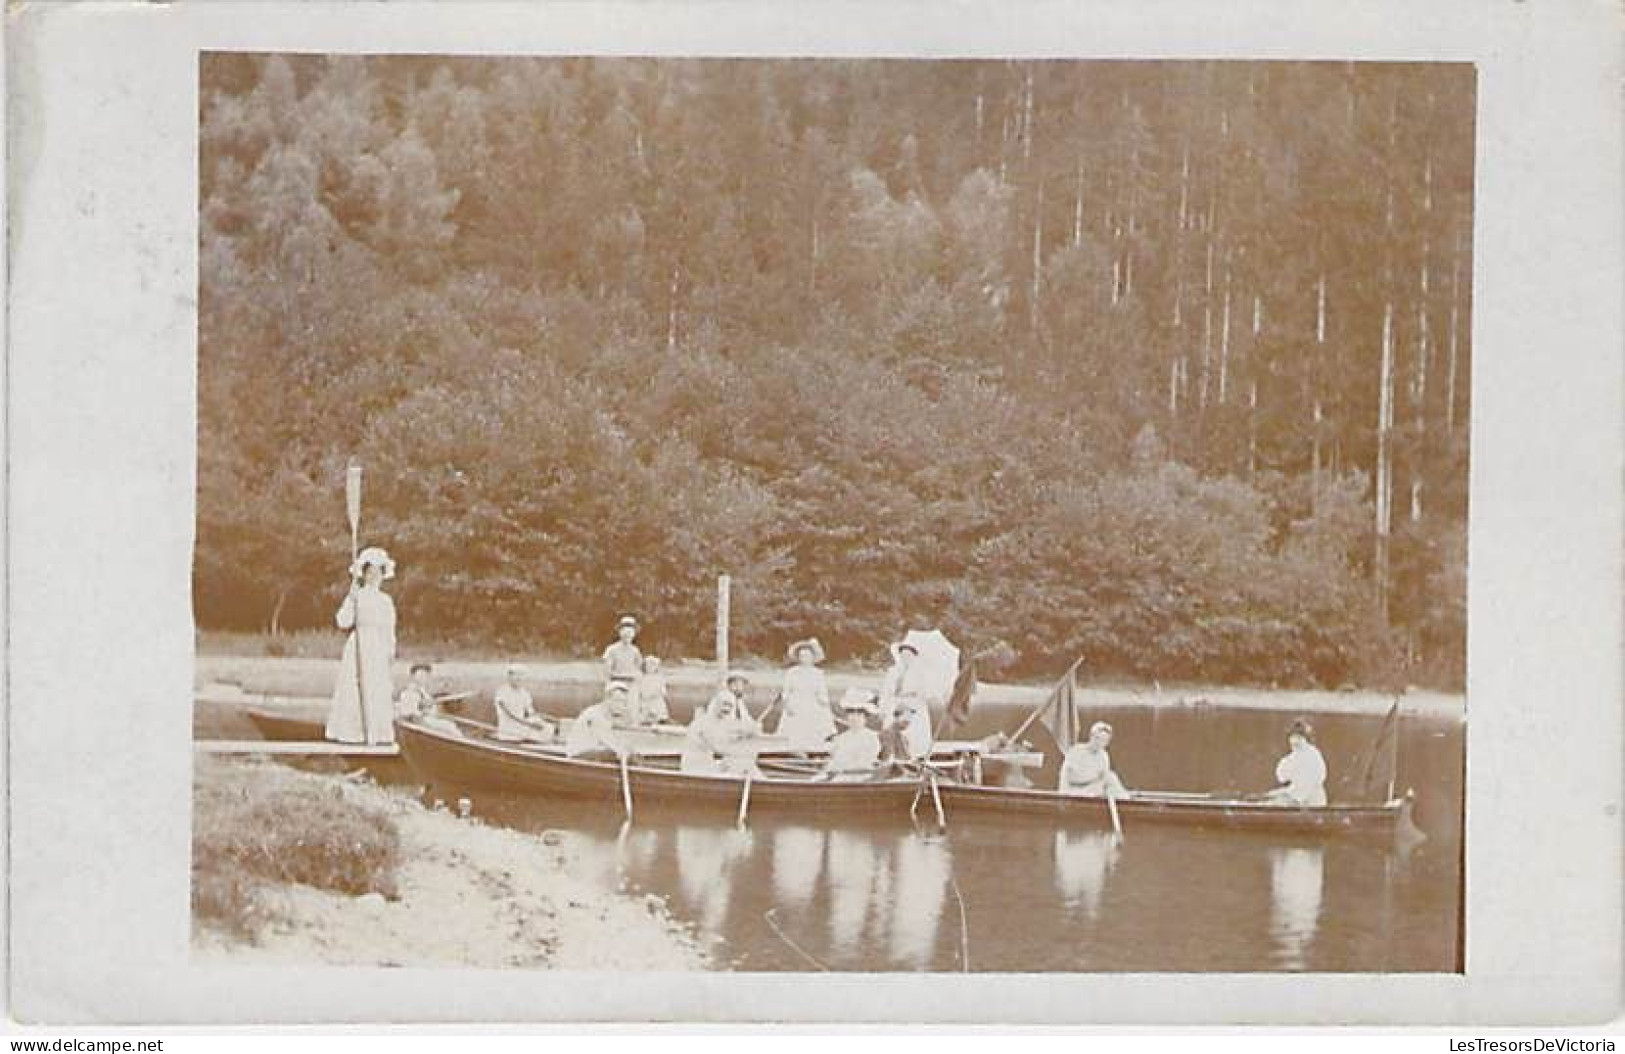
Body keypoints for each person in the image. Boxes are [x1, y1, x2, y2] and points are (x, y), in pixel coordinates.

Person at [325, 546, 399, 746]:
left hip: (377, 647)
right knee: (354, 687)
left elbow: (389, 628)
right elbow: (342, 621)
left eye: (378, 572)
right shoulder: (357, 596)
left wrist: (390, 651)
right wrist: (351, 597)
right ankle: (352, 733)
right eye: (370, 571)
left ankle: (377, 734)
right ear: (364, 573)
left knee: (376, 687)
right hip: (359, 645)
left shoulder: (386, 601)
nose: (374, 576)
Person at [681, 674, 761, 775]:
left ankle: (766, 784)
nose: (726, 709)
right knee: (738, 763)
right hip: (695, 768)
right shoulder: (704, 723)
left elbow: (731, 731)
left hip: (707, 764)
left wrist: (748, 733)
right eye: (724, 704)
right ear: (716, 704)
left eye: (730, 706)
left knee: (742, 765)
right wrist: (744, 754)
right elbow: (718, 748)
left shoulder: (720, 720)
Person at [776, 638, 835, 748]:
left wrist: (824, 705)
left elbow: (822, 694)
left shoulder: (818, 673)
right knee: (793, 725)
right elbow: (786, 693)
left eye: (807, 656)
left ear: (812, 657)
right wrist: (788, 705)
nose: (805, 659)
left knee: (819, 716)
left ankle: (815, 748)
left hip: (812, 705)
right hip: (795, 704)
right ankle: (792, 749)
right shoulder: (792, 672)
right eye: (802, 656)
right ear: (798, 657)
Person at [815, 689, 883, 781]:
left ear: (865, 717)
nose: (854, 718)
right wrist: (825, 769)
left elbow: (865, 763)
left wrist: (840, 770)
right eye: (851, 713)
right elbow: (833, 761)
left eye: (859, 714)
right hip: (837, 778)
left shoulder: (872, 738)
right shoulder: (840, 738)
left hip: (860, 780)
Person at [1265, 719, 1329, 807]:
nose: (1295, 741)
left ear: (1306, 739)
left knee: (1279, 802)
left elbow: (1307, 786)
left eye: (1299, 737)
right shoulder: (1292, 757)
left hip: (1312, 801)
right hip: (1297, 797)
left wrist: (1290, 794)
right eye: (1292, 737)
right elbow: (1282, 776)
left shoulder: (1312, 756)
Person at [1058, 721, 1130, 799]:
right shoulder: (1076, 751)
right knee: (1108, 779)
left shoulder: (1103, 756)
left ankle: (1125, 800)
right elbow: (1072, 777)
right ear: (1091, 736)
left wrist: (1102, 780)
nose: (1099, 743)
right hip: (1073, 792)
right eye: (1097, 738)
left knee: (1111, 778)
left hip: (1093, 790)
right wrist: (1095, 778)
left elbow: (1104, 777)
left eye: (1104, 740)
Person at [564, 682, 632, 759]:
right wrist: (620, 749)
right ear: (607, 699)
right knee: (614, 752)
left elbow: (611, 737)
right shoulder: (595, 714)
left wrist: (624, 748)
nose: (621, 706)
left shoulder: (606, 715)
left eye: (623, 702)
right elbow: (606, 738)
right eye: (617, 701)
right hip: (578, 754)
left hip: (588, 751)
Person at [494, 664, 555, 743]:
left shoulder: (524, 693)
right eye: (515, 676)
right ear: (509, 677)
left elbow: (531, 712)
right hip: (508, 727)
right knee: (540, 730)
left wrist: (547, 718)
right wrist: (529, 724)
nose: (518, 678)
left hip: (522, 724)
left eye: (521, 676)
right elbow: (509, 715)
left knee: (548, 727)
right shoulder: (502, 692)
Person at [602, 615, 643, 689]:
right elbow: (607, 671)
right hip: (616, 683)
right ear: (620, 632)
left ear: (634, 634)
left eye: (631, 632)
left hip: (632, 683)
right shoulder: (611, 649)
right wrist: (609, 684)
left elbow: (639, 669)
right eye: (625, 631)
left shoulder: (635, 650)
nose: (628, 634)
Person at [635, 654, 671, 725]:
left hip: (656, 701)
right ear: (645, 666)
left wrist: (659, 693)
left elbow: (663, 691)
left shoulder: (659, 678)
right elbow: (640, 691)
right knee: (645, 715)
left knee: (658, 709)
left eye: (653, 665)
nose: (651, 667)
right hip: (645, 701)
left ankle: (659, 722)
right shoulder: (642, 678)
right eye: (649, 665)